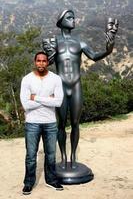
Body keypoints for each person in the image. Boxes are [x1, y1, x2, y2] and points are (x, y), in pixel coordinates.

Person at [43, 10, 119, 169]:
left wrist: (109, 47)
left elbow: (95, 56)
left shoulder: (80, 42)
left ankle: (73, 156)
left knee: (76, 123)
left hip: (76, 85)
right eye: (69, 18)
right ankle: (63, 157)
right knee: (61, 124)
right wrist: (49, 53)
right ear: (61, 21)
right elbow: (46, 64)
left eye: (73, 17)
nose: (73, 20)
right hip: (60, 87)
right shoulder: (54, 42)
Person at [20, 51, 64, 195]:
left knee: (51, 155)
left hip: (50, 123)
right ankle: (28, 183)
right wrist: (47, 99)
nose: (41, 63)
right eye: (38, 61)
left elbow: (58, 102)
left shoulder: (56, 79)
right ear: (35, 62)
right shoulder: (27, 79)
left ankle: (51, 180)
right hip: (32, 123)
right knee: (31, 156)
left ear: (47, 63)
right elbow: (25, 104)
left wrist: (35, 97)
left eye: (44, 61)